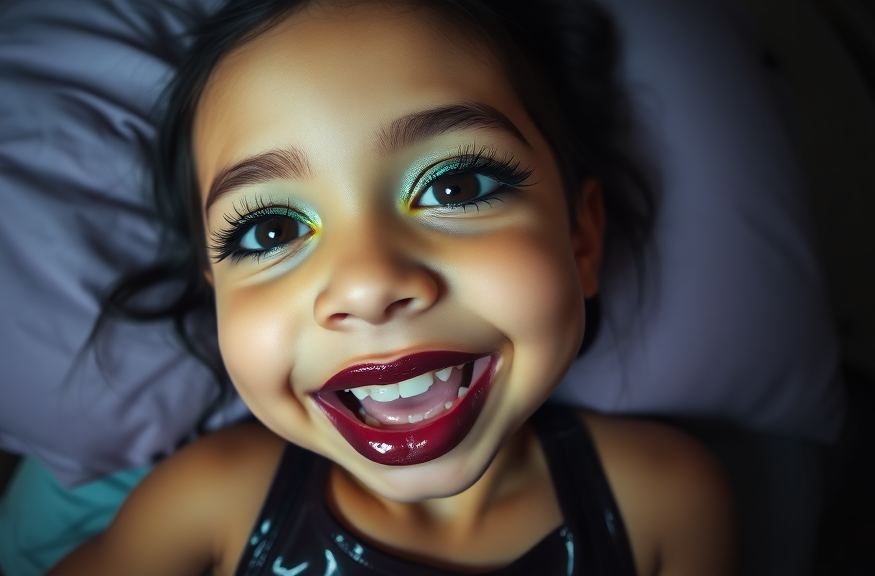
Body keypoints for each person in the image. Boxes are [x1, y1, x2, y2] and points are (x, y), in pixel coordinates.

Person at [48, 0, 734, 574]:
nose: (369, 285)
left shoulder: (667, 503)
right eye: (270, 231)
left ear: (581, 239)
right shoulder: (200, 506)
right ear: (215, 294)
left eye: (454, 185)